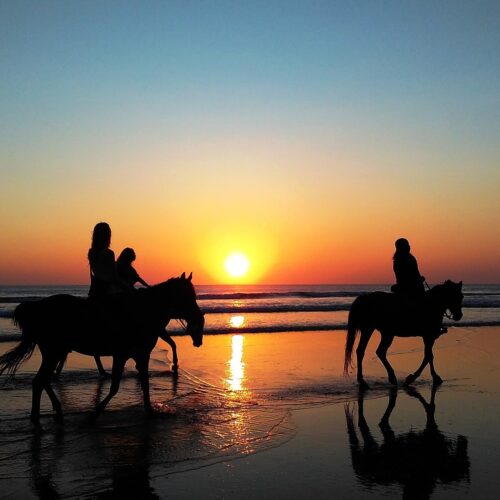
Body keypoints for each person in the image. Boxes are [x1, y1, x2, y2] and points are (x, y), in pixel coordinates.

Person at [87, 222, 127, 376]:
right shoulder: (109, 254)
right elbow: (114, 278)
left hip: (95, 293)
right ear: (107, 236)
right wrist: (128, 287)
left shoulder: (91, 252)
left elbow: (97, 274)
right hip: (109, 293)